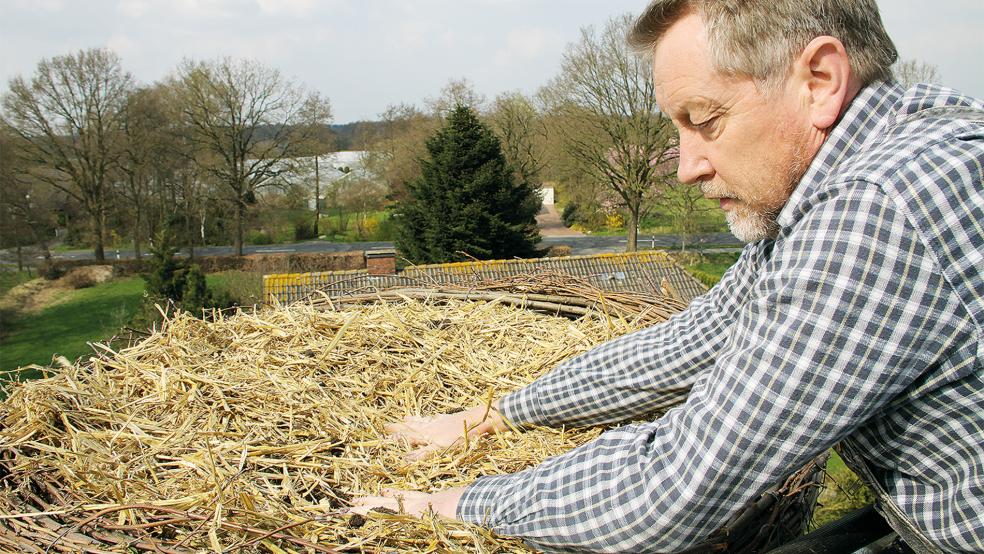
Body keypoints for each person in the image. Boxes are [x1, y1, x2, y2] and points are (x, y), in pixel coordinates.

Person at [352, 1, 984, 551]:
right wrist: (499, 414)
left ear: (819, 80)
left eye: (706, 120)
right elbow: (696, 339)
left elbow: (673, 490)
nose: (686, 167)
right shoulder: (907, 139)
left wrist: (458, 504)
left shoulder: (876, 212)